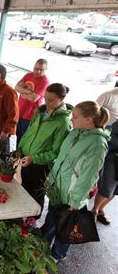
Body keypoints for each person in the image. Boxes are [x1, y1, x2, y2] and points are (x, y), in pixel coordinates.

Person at [42, 101, 110, 262]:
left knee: (65, 227)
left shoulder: (98, 144)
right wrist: (50, 178)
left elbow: (89, 176)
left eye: (75, 116)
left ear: (89, 119)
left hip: (72, 195)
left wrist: (76, 200)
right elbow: (61, 159)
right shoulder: (75, 133)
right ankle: (43, 244)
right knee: (52, 218)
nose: (71, 119)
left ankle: (57, 254)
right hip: (57, 188)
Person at [17, 83, 72, 218]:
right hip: (25, 157)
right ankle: (21, 215)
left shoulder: (62, 122)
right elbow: (29, 131)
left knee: (36, 192)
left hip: (40, 164)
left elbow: (56, 152)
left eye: (51, 100)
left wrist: (34, 158)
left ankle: (32, 220)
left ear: (62, 98)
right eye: (46, 98)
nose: (47, 102)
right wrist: (20, 148)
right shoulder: (40, 111)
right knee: (22, 186)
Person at [92, 86, 118, 224]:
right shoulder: (108, 95)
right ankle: (94, 210)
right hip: (112, 153)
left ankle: (100, 209)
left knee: (115, 190)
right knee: (107, 186)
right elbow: (94, 113)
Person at [15, 59, 50, 145]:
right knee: (18, 135)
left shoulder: (45, 81)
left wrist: (23, 91)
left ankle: (22, 157)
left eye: (41, 70)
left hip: (30, 116)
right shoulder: (28, 75)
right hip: (19, 112)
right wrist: (29, 92)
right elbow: (16, 88)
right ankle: (17, 156)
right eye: (36, 68)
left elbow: (33, 98)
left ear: (46, 69)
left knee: (25, 139)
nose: (38, 71)